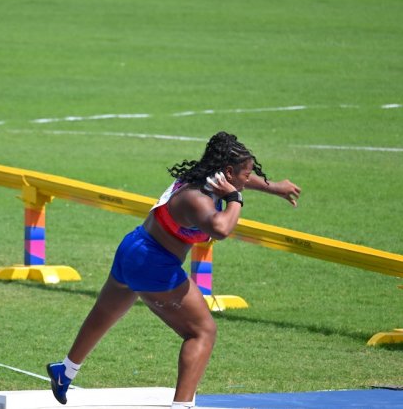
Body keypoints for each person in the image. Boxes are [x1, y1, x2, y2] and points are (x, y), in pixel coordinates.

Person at [47, 132, 301, 409]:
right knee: (202, 332)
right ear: (228, 173)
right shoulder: (197, 199)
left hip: (133, 248)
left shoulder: (204, 177)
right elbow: (221, 229)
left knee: (106, 312)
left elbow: (240, 178)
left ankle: (65, 371)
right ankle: (182, 406)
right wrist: (235, 199)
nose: (247, 179)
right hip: (155, 264)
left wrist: (275, 187)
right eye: (246, 174)